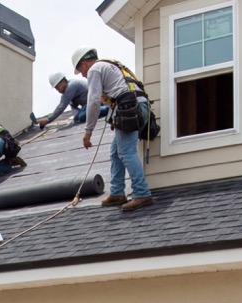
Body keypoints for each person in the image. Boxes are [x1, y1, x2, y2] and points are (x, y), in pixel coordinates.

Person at [73, 47, 154, 212]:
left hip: (129, 109)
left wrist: (88, 132)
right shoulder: (109, 65)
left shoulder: (94, 69)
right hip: (137, 107)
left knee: (126, 152)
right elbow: (120, 92)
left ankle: (142, 193)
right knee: (115, 151)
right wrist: (114, 119)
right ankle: (117, 192)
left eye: (81, 71)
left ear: (84, 64)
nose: (83, 75)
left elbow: (93, 101)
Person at [35, 71, 105, 128]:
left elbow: (61, 107)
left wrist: (47, 120)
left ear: (63, 81)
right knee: (78, 118)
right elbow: (74, 111)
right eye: (56, 88)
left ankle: (107, 109)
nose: (57, 90)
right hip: (89, 105)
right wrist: (76, 118)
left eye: (57, 87)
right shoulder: (68, 93)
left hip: (97, 102)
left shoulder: (71, 86)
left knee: (82, 116)